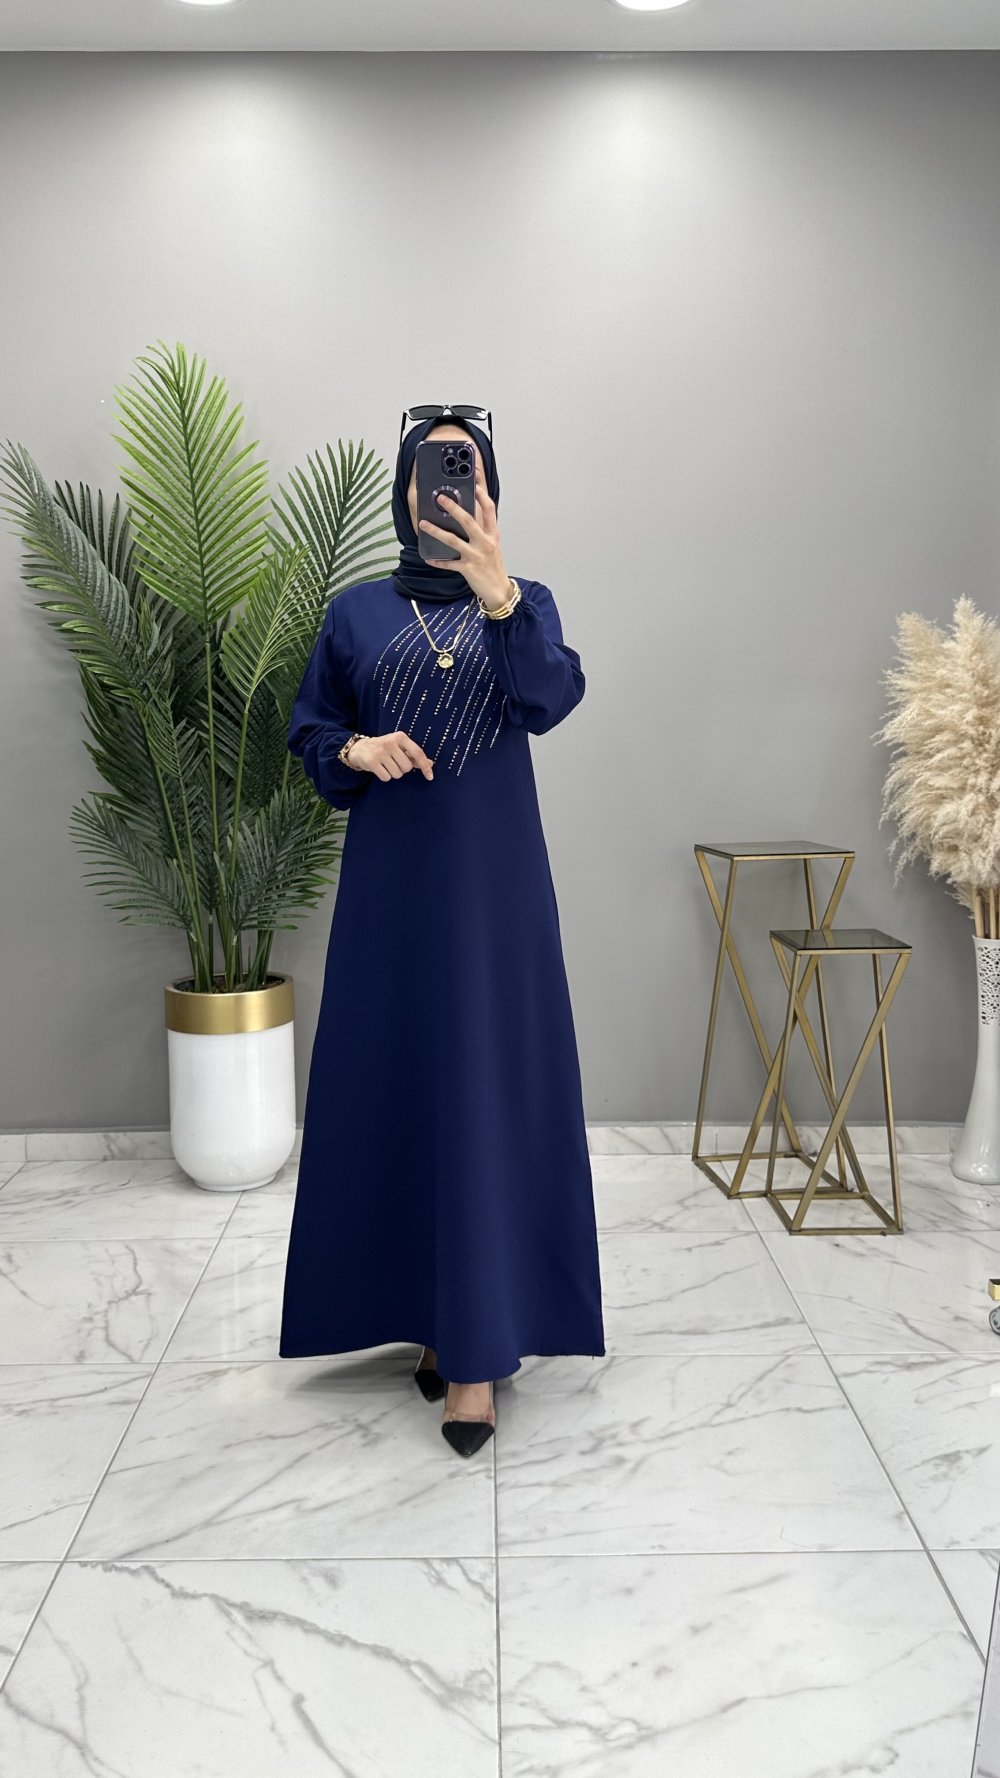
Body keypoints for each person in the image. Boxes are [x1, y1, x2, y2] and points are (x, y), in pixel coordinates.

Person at [278, 406, 605, 1457]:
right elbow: (311, 728)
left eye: (467, 470)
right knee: (407, 1083)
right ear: (406, 488)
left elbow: (551, 696)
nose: (449, 487)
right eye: (434, 469)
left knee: (486, 1086)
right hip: (395, 894)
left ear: (489, 488)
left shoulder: (524, 602)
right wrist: (357, 750)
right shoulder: (356, 612)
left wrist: (497, 592)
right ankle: (432, 1314)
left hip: (497, 896)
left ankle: (476, 1356)